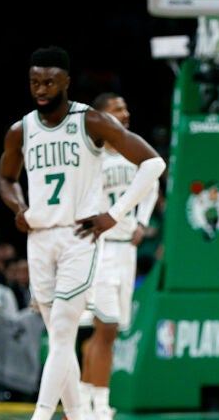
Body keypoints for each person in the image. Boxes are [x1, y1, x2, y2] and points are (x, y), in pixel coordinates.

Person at [0, 46, 165, 420]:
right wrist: (18, 207)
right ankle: (80, 414)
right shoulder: (20, 130)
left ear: (67, 82)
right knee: (60, 336)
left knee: (63, 332)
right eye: (35, 82)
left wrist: (117, 214)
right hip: (39, 238)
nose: (41, 89)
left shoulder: (90, 121)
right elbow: (6, 178)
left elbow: (153, 163)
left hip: (80, 237)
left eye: (50, 81)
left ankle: (43, 416)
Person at [78, 92, 160, 420]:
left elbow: (152, 182)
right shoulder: (91, 154)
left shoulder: (133, 151)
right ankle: (100, 408)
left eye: (126, 107)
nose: (125, 113)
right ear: (100, 117)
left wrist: (142, 220)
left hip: (125, 249)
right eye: (116, 109)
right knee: (106, 330)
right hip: (99, 249)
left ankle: (83, 406)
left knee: (106, 332)